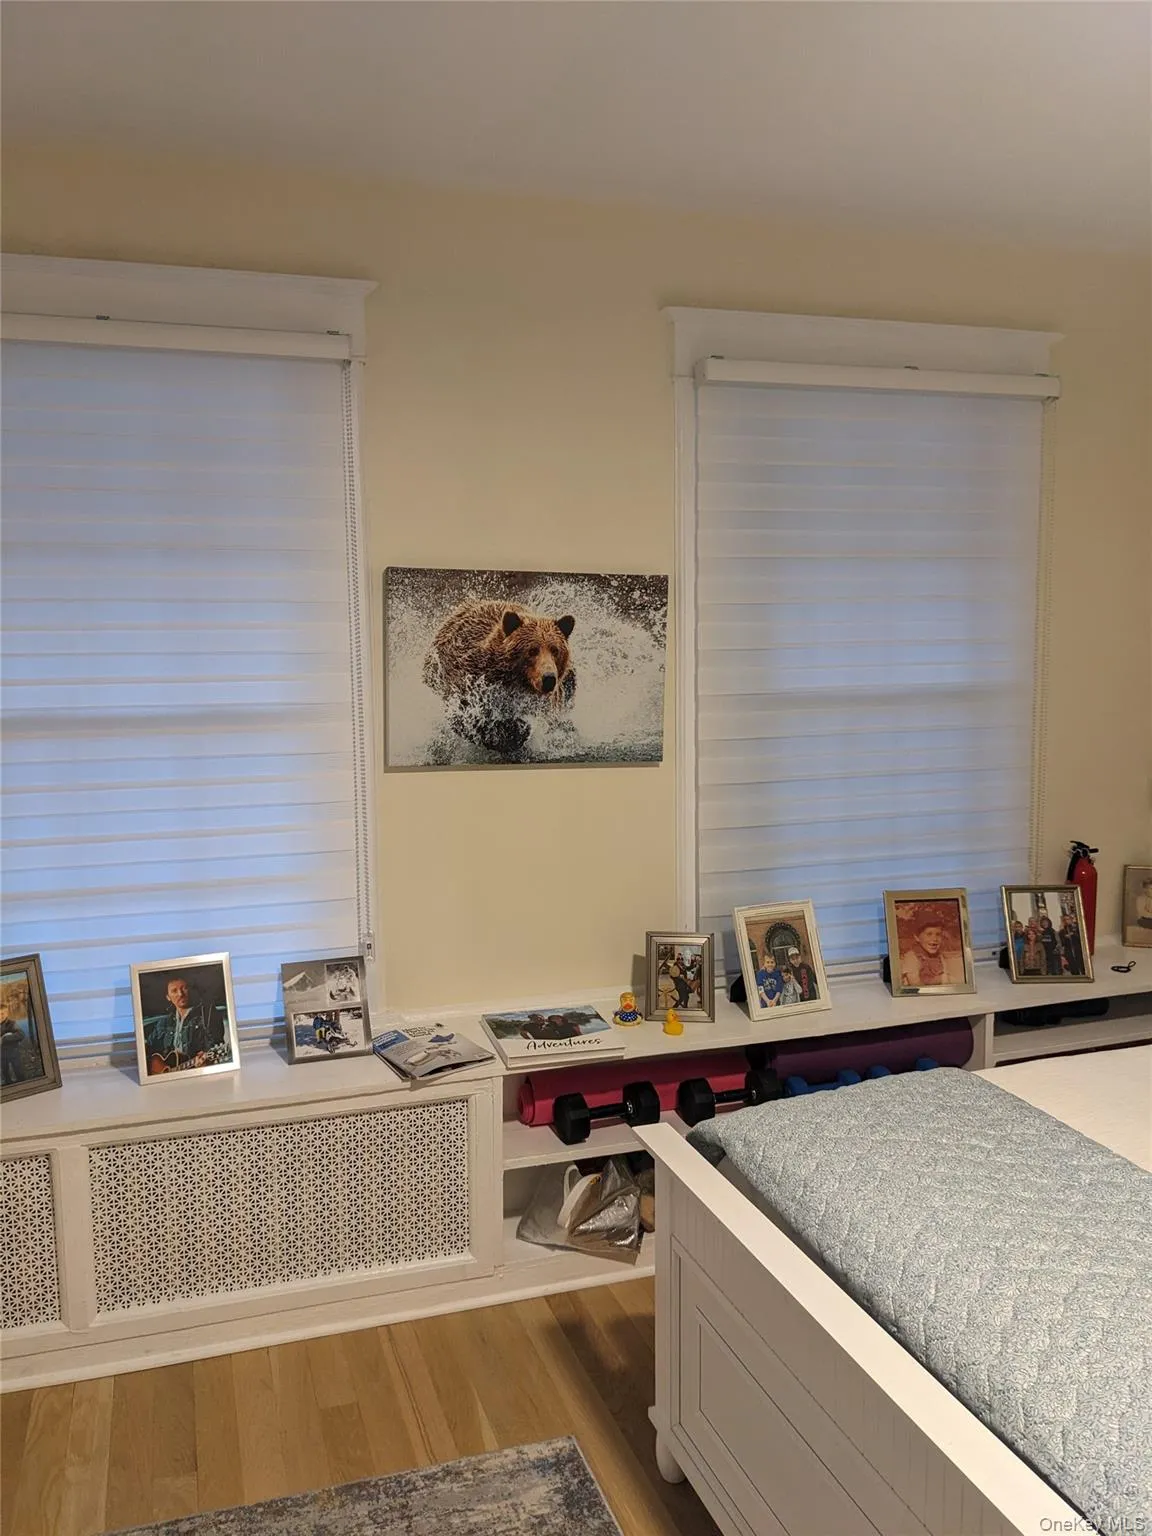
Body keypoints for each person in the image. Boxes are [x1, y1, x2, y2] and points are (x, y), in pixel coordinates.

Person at [144, 976, 227, 1072]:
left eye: (184, 988)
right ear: (168, 997)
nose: (180, 994)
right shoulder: (164, 1022)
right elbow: (147, 1049)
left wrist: (205, 1061)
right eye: (174, 991)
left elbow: (214, 1046)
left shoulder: (207, 1015)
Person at [899, 919, 958, 988]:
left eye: (938, 934)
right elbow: (915, 984)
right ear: (917, 937)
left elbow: (946, 974)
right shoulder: (912, 956)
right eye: (929, 934)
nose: (935, 938)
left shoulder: (939, 956)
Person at [1, 1003, 28, 1084]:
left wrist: (5, 1038)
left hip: (13, 1053)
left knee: (18, 1071)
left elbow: (21, 1035)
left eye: (3, 1013)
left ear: (7, 1014)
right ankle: (9, 1085)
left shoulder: (12, 1024)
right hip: (2, 1054)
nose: (1, 1016)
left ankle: (23, 1085)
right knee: (5, 1072)